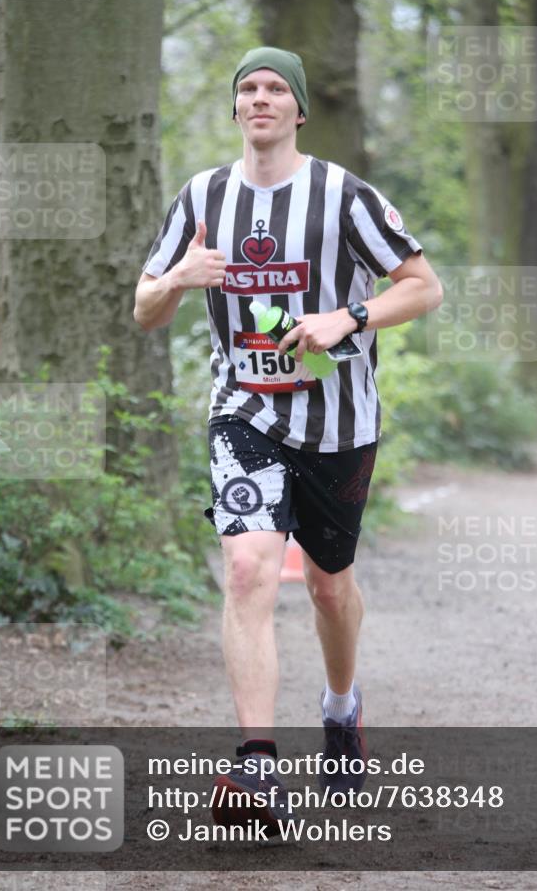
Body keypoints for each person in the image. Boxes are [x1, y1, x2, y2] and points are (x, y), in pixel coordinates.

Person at [134, 46, 442, 828]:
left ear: (298, 109)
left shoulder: (342, 195)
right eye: (248, 89)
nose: (260, 99)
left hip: (338, 420)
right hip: (244, 413)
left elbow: (423, 286)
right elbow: (144, 308)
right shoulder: (201, 197)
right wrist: (177, 280)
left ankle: (340, 704)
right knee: (247, 569)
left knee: (328, 584)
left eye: (276, 89)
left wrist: (350, 315)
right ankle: (257, 763)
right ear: (235, 109)